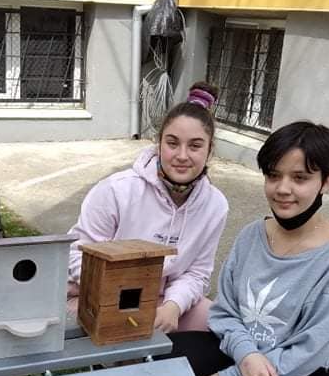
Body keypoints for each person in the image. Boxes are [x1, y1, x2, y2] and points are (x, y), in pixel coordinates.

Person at [169, 121, 329, 376]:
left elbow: (312, 350)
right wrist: (246, 358)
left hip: (300, 374)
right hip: (244, 351)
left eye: (300, 178)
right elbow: (225, 312)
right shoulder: (251, 235)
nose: (283, 189)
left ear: (326, 181)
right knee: (156, 357)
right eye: (274, 175)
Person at [67, 82, 229, 332]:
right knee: (124, 336)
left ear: (209, 150)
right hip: (97, 294)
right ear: (159, 143)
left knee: (218, 324)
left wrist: (173, 306)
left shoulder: (216, 205)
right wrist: (123, 295)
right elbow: (76, 253)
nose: (182, 155)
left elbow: (198, 273)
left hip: (162, 299)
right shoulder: (116, 190)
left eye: (195, 146)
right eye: (172, 143)